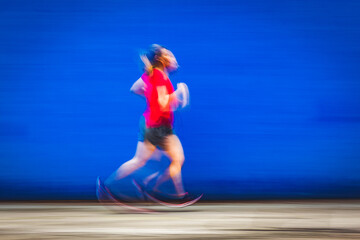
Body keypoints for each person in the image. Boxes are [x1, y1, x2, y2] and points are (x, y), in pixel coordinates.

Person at [105, 44, 189, 198]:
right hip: (155, 126)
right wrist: (179, 92)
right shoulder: (158, 76)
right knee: (142, 161)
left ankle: (175, 194)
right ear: (161, 59)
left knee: (176, 158)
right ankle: (109, 186)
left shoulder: (152, 75)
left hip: (161, 125)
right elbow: (164, 103)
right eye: (169, 55)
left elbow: (134, 88)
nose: (173, 58)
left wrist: (153, 98)